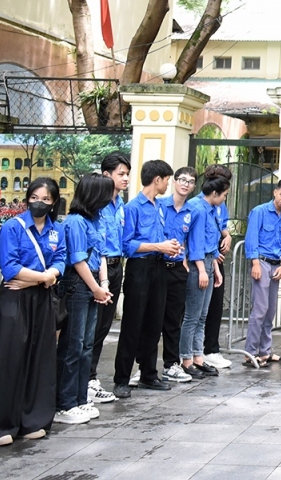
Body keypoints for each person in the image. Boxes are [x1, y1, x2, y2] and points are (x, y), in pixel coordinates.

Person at [0, 178, 65, 444]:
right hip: (14, 300)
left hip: (41, 298)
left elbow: (61, 259)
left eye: (47, 199)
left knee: (40, 358)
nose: (40, 203)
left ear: (53, 202)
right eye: (35, 197)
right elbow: (10, 269)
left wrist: (47, 277)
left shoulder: (56, 230)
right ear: (28, 198)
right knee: (9, 359)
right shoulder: (12, 227)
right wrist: (46, 277)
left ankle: (33, 421)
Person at [113, 160, 180, 398]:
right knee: (133, 323)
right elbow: (127, 245)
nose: (168, 184)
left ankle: (149, 374)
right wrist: (157, 246)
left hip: (159, 267)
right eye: (167, 180)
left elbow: (160, 236)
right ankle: (121, 378)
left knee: (155, 322)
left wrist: (169, 246)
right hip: (139, 269)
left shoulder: (160, 206)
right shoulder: (133, 208)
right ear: (157, 179)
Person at [54, 174, 114, 425]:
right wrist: (95, 288)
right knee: (73, 345)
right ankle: (64, 403)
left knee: (86, 344)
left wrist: (103, 285)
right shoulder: (76, 222)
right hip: (78, 286)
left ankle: (80, 399)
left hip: (91, 286)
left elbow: (99, 253)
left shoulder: (94, 219)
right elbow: (78, 260)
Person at [179, 167, 229, 379]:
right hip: (197, 265)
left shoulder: (209, 209)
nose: (225, 199)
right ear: (215, 193)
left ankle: (198, 357)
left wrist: (215, 268)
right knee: (191, 316)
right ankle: (186, 359)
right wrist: (201, 270)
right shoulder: (197, 208)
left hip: (209, 263)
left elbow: (210, 243)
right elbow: (196, 243)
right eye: (224, 195)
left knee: (202, 316)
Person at [88, 152, 129, 402]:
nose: (125, 179)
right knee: (92, 325)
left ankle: (90, 377)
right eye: (120, 174)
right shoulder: (98, 204)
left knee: (104, 325)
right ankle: (87, 379)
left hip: (116, 267)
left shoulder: (120, 204)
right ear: (106, 175)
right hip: (98, 268)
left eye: (127, 174)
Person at [243, 180, 281, 366]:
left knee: (271, 310)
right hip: (263, 262)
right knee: (260, 309)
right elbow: (252, 239)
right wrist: (255, 263)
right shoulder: (260, 212)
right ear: (275, 192)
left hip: (277, 265)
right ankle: (250, 352)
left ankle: (265, 351)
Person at [158, 167, 196, 384]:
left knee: (174, 319)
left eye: (190, 181)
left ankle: (172, 364)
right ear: (173, 181)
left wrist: (186, 260)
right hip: (158, 266)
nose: (185, 184)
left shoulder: (192, 211)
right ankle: (143, 366)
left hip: (178, 269)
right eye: (182, 180)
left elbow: (192, 239)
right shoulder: (160, 205)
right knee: (152, 319)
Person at [202, 165, 234, 369]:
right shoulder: (201, 204)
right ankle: (201, 351)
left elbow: (222, 226)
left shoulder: (220, 205)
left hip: (217, 258)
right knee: (200, 310)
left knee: (215, 305)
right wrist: (214, 256)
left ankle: (212, 348)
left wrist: (228, 235)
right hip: (205, 259)